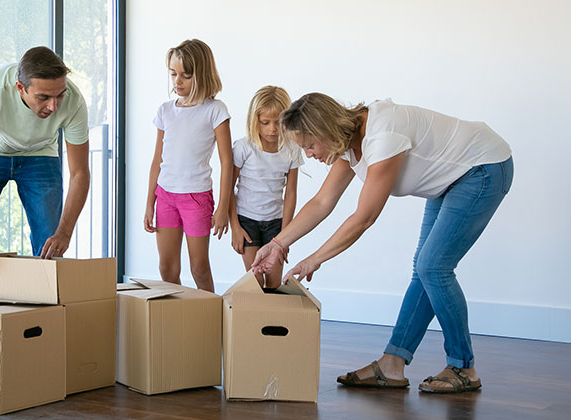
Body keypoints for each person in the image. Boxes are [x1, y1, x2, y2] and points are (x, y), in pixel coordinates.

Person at [252, 93, 513, 393]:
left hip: (482, 168)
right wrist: (277, 244)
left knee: (434, 267)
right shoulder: (348, 144)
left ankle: (463, 366)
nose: (309, 154)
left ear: (325, 130)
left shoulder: (382, 137)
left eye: (309, 145)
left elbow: (364, 217)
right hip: (451, 178)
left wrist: (315, 259)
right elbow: (322, 202)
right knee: (425, 269)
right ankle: (392, 364)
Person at [0, 46, 90, 297]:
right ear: (20, 88)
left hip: (41, 154)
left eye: (59, 95)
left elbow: (79, 173)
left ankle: (47, 321)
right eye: (44, 97)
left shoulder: (74, 101)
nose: (54, 105)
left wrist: (65, 232)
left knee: (51, 246)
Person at [143, 39, 232, 292]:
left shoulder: (215, 110)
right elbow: (156, 160)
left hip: (196, 198)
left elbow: (227, 162)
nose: (177, 81)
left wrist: (223, 207)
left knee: (199, 268)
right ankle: (177, 319)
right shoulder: (165, 111)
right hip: (166, 197)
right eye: (173, 74)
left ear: (202, 75)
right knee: (167, 269)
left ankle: (210, 320)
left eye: (186, 75)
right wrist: (150, 203)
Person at [229, 86, 303, 289]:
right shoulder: (244, 147)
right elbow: (228, 187)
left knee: (273, 281)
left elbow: (291, 192)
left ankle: (272, 321)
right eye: (265, 123)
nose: (272, 129)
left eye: (278, 123)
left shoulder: (292, 150)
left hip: (276, 223)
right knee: (255, 279)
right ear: (255, 121)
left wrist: (286, 235)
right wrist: (234, 226)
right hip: (246, 222)